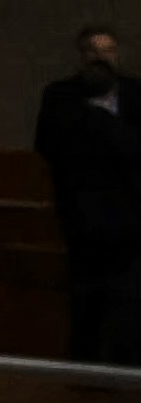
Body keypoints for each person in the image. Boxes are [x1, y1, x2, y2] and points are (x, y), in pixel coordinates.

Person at [45, 24, 141, 367]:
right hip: (82, 217)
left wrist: (99, 124)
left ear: (118, 54)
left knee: (130, 300)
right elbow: (51, 146)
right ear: (81, 55)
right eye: (93, 51)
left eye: (107, 50)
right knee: (84, 299)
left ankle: (126, 367)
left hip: (131, 218)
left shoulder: (136, 93)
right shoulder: (59, 96)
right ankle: (85, 369)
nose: (100, 58)